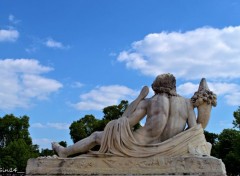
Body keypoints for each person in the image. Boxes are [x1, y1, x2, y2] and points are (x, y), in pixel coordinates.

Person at [52, 73, 213, 157]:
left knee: (96, 137)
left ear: (156, 87)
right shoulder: (186, 103)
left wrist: (140, 97)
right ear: (174, 86)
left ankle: (65, 152)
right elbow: (194, 130)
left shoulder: (150, 102)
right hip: (169, 146)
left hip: (138, 144)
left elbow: (124, 122)